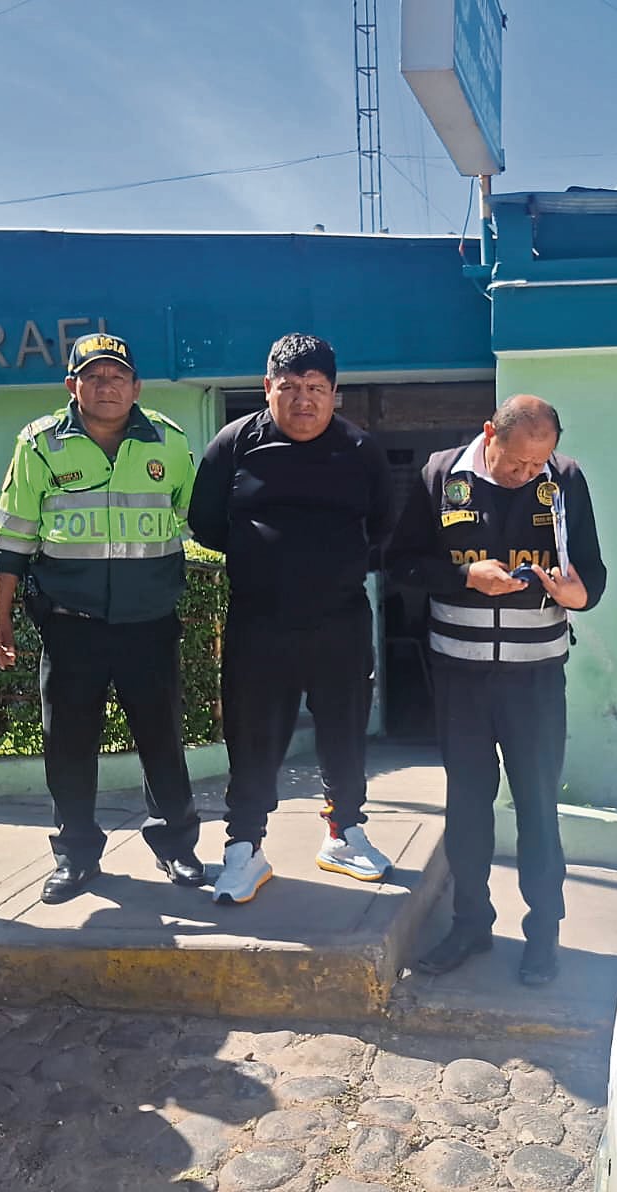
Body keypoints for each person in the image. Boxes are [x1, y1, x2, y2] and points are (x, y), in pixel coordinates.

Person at [387, 394, 606, 986]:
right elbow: (401, 563)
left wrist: (574, 595)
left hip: (535, 678)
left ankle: (544, 935)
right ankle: (470, 923)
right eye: (517, 464)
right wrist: (463, 577)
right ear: (490, 434)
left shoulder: (564, 480)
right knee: (467, 806)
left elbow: (593, 576)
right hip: (459, 675)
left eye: (539, 463)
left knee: (537, 806)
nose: (527, 475)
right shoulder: (441, 476)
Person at [0, 332, 203, 903]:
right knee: (69, 746)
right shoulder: (39, 445)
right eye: (94, 376)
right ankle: (76, 856)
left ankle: (177, 847)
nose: (106, 387)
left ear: (136, 387)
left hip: (149, 623)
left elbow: (199, 518)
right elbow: (13, 536)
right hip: (70, 624)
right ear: (72, 386)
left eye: (117, 377)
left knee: (162, 740)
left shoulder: (171, 444)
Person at [188, 333, 395, 904]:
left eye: (316, 389)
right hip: (260, 624)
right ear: (267, 388)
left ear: (334, 394)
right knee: (252, 739)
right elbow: (205, 523)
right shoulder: (235, 442)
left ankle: (345, 833)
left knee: (344, 732)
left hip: (340, 622)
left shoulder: (361, 451)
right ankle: (244, 849)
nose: (303, 400)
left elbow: (382, 528)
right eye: (290, 388)